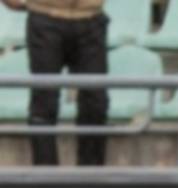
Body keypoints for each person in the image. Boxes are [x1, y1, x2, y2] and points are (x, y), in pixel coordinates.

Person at [1, 0, 109, 166]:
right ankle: (45, 175)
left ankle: (91, 174)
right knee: (44, 104)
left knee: (96, 102)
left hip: (91, 18)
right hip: (45, 17)